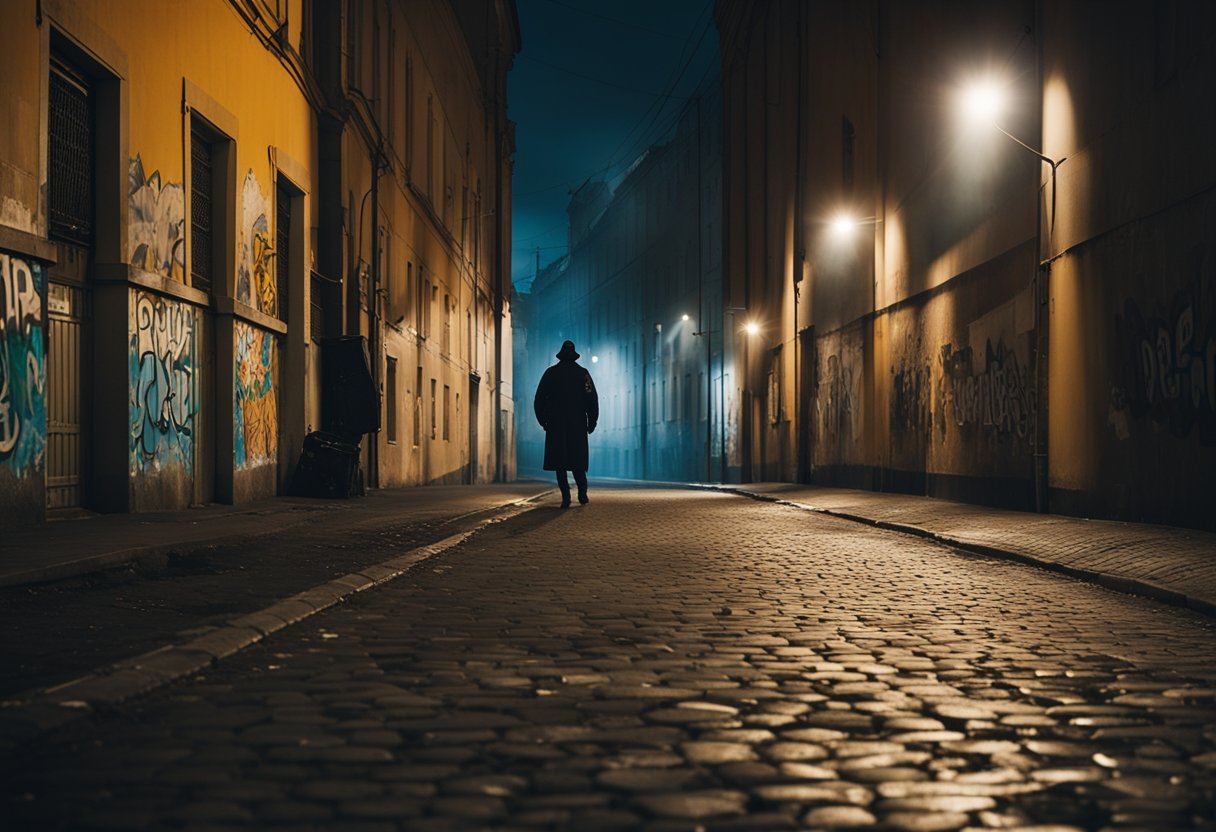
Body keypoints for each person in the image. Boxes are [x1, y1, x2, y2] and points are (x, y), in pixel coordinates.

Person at [534, 340, 599, 508]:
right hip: (577, 424)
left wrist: (544, 421)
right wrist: (592, 422)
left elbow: (539, 400)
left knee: (560, 463)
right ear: (574, 356)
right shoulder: (583, 374)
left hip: (556, 424)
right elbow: (592, 400)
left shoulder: (550, 374)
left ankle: (565, 496)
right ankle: (582, 492)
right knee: (578, 461)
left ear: (561, 356)